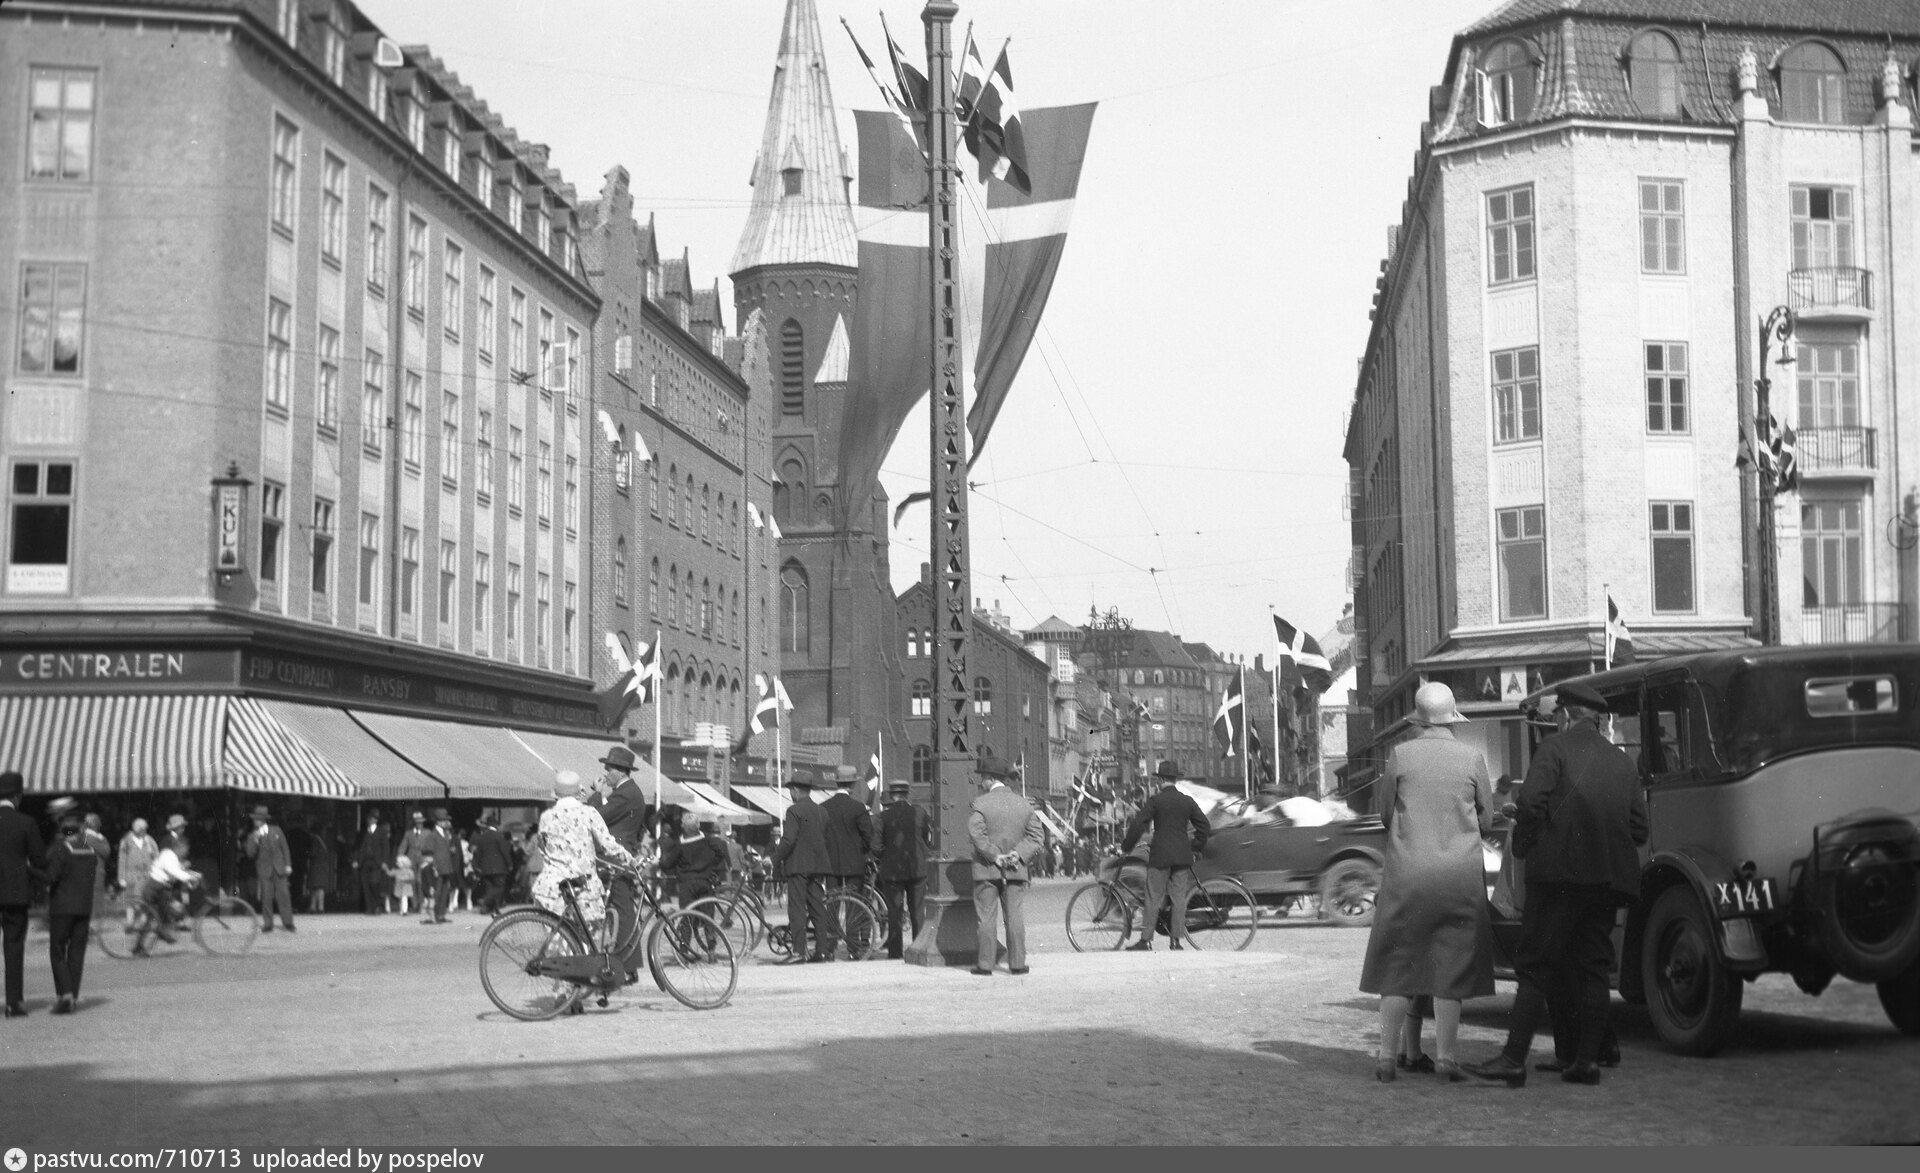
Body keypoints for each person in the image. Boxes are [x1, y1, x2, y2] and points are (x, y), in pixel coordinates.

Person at [1466, 681, 1649, 1088]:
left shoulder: (1554, 749)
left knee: (1535, 966)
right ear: (1597, 720)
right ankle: (1586, 1062)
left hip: (1557, 878)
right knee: (1594, 967)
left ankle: (1513, 1059)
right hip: (1606, 882)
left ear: (1565, 715)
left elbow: (1531, 805)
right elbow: (1639, 829)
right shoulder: (1622, 762)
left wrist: (1526, 844)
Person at [1358, 681, 1496, 1083]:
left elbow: (1386, 815)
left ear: (1417, 720)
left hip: (1407, 875)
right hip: (1458, 877)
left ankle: (1387, 1058)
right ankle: (1446, 1059)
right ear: (1453, 718)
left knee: (1397, 967)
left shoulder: (1400, 755)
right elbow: (1487, 820)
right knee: (1451, 969)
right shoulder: (1472, 757)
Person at [1120, 760, 1211, 952]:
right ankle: (1175, 941)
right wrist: (1195, 846)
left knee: (1153, 896)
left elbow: (1138, 824)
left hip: (1160, 855)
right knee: (1178, 898)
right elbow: (1204, 826)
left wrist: (1127, 846)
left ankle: (1146, 940)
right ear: (1175, 779)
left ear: (1160, 780)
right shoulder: (1187, 801)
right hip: (1182, 856)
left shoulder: (1156, 801)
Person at [969, 756, 1044, 976]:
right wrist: (1018, 854)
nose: (981, 781)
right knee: (1015, 917)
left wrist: (994, 855)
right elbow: (1037, 836)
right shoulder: (1023, 804)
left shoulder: (980, 804)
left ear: (990, 778)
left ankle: (985, 965)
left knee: (986, 918)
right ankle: (1017, 964)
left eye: (983, 777)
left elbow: (976, 834)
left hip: (986, 869)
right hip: (1015, 868)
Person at [531, 771, 636, 929]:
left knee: (557, 933)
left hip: (553, 884)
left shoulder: (547, 816)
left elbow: (542, 847)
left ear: (556, 794)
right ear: (578, 792)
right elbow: (608, 845)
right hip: (583, 884)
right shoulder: (589, 813)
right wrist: (630, 860)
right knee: (587, 933)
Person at [589, 744, 653, 980]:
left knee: (622, 911)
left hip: (615, 858)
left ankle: (626, 966)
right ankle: (624, 965)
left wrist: (597, 795)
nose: (606, 773)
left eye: (609, 769)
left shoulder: (625, 794)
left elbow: (597, 817)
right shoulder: (628, 792)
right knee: (620, 910)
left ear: (620, 771)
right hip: (619, 857)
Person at [772, 772, 833, 963]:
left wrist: (775, 858)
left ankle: (798, 952)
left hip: (798, 866)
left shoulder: (794, 811)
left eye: (791, 790)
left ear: (796, 790)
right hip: (818, 866)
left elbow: (789, 840)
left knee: (797, 909)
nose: (791, 793)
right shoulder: (822, 811)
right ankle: (822, 951)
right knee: (817, 908)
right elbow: (825, 839)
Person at [0, 771, 47, 1016]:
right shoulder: (26, 822)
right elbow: (39, 860)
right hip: (14, 893)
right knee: (13, 947)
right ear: (18, 796)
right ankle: (13, 1003)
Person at [44, 814, 100, 1015]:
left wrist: (32, 871)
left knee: (58, 951)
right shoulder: (90, 851)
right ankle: (73, 996)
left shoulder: (62, 849)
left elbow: (51, 877)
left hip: (62, 907)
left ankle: (65, 994)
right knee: (77, 953)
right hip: (84, 907)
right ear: (79, 831)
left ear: (63, 832)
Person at [876, 779, 933, 960]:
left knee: (894, 912)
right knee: (918, 911)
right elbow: (927, 838)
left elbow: (876, 846)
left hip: (892, 870)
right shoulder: (920, 813)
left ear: (892, 795)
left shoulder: (883, 817)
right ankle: (918, 949)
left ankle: (895, 952)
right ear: (907, 794)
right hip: (917, 868)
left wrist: (886, 855)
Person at [136, 818, 199, 955]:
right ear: (178, 848)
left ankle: (159, 935)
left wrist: (191, 875)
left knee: (164, 914)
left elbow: (179, 870)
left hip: (162, 888)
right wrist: (189, 877)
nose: (185, 852)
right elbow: (174, 871)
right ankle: (142, 946)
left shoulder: (173, 856)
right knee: (153, 918)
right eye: (184, 849)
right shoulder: (168, 855)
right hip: (154, 889)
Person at [821, 765, 876, 894]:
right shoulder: (858, 808)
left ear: (837, 783)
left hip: (831, 864)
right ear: (852, 785)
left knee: (832, 901)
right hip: (855, 864)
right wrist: (861, 849)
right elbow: (869, 836)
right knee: (854, 901)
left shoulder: (823, 807)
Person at [659, 810, 728, 907]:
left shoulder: (680, 843)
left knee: (688, 914)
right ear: (698, 825)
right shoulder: (706, 838)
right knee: (706, 913)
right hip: (705, 881)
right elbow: (720, 852)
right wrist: (711, 865)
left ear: (683, 826)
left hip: (687, 884)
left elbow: (667, 864)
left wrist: (660, 862)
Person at [244, 805, 296, 932]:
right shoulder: (252, 835)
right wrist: (255, 840)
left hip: (279, 868)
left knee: (284, 895)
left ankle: (288, 923)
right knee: (266, 897)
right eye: (255, 819)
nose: (255, 821)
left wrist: (288, 864)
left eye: (258, 819)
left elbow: (285, 848)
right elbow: (250, 854)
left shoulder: (276, 830)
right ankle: (268, 924)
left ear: (263, 820)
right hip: (264, 870)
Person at [470, 813, 513, 917]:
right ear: (496, 825)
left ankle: (493, 909)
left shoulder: (482, 837)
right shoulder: (499, 835)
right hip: (499, 867)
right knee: (499, 887)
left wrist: (476, 866)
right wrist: (509, 863)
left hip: (485, 868)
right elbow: (504, 851)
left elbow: (478, 853)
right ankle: (486, 900)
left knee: (490, 887)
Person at [399, 811, 437, 922]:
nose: (419, 824)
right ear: (414, 823)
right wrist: (400, 856)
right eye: (417, 822)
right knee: (412, 882)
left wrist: (431, 858)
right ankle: (414, 904)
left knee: (421, 882)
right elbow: (403, 845)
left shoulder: (427, 832)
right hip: (411, 860)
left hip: (423, 859)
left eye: (420, 822)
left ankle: (421, 904)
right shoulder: (408, 833)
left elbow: (432, 846)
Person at [422, 809, 458, 923]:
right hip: (438, 868)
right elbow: (428, 852)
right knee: (437, 892)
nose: (446, 822)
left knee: (444, 892)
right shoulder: (433, 835)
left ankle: (441, 914)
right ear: (438, 822)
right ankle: (434, 915)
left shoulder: (445, 834)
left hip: (446, 867)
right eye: (444, 820)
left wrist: (451, 850)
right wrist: (434, 867)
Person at [356, 812, 392, 915]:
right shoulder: (365, 832)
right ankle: (369, 908)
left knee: (375, 883)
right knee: (365, 885)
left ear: (376, 820)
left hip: (377, 862)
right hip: (365, 861)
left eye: (372, 818)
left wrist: (384, 861)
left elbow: (386, 847)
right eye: (369, 818)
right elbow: (361, 847)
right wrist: (358, 860)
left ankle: (377, 906)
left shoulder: (381, 831)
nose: (370, 820)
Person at [117, 818, 158, 899]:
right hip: (131, 878)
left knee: (145, 901)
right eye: (141, 829)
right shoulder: (126, 841)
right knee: (132, 901)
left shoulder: (149, 840)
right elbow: (122, 860)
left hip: (147, 877)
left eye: (144, 829)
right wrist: (121, 878)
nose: (143, 831)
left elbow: (156, 857)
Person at [304, 821, 336, 913]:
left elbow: (313, 853)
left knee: (315, 887)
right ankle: (318, 906)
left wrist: (307, 853)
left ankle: (315, 906)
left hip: (315, 866)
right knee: (319, 887)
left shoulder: (315, 840)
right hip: (322, 866)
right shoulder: (323, 840)